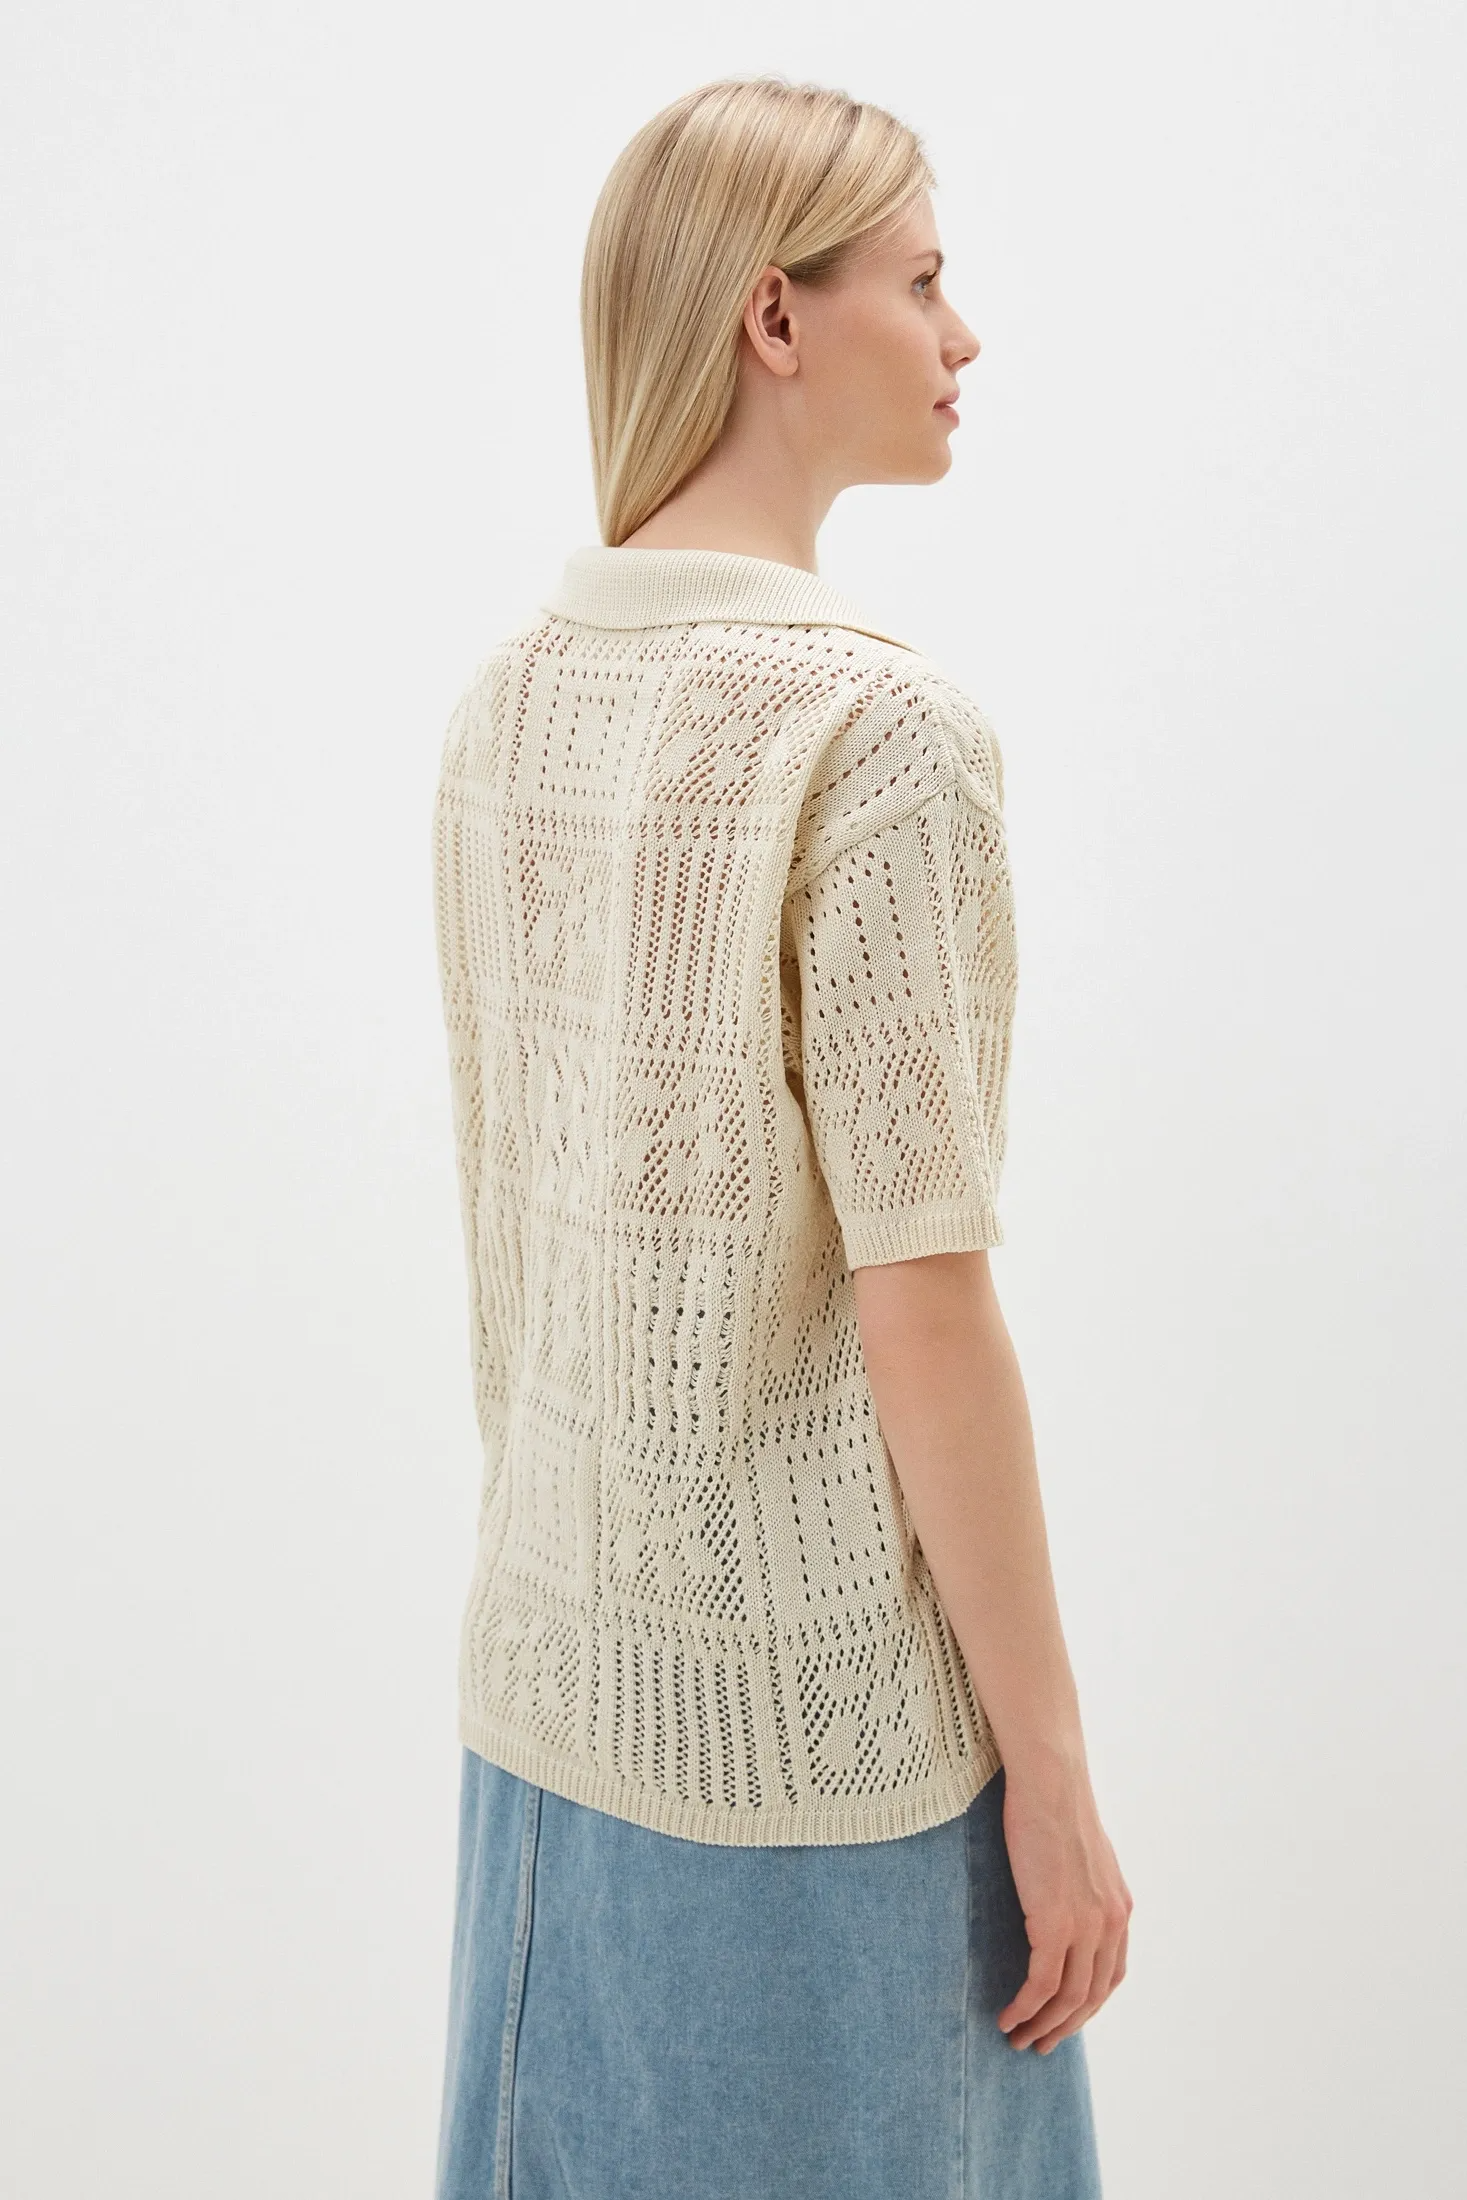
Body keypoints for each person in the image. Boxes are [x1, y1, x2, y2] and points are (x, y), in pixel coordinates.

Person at [429, 74, 1131, 2200]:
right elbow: (924, 1308)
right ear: (773, 318)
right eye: (920, 280)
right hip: (815, 1778)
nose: (962, 332)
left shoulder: (510, 701)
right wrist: (1052, 1773)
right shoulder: (881, 733)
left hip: (548, 1711)